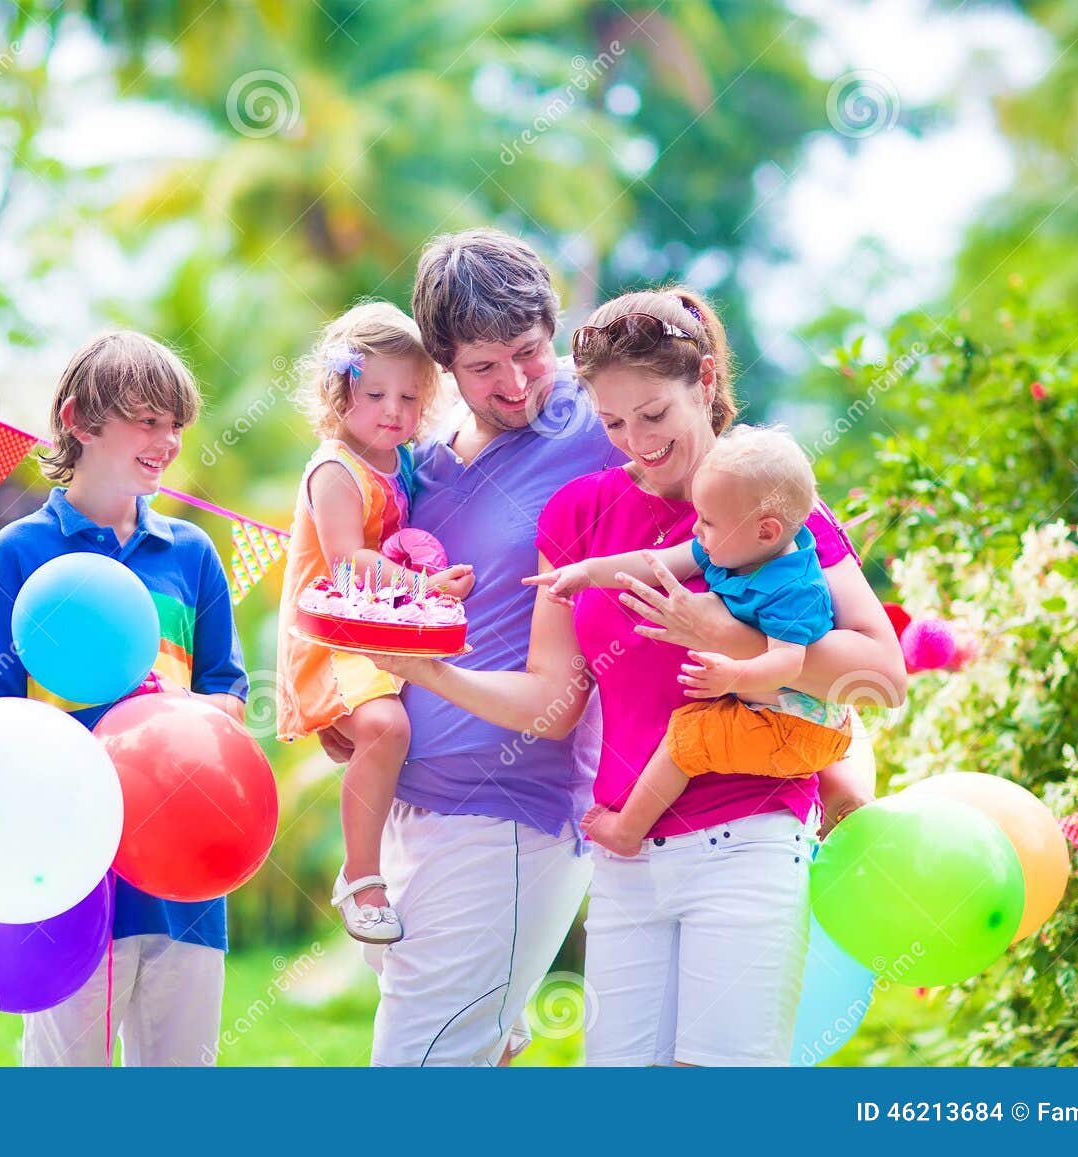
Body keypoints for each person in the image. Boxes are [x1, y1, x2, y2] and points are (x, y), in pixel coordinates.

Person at [374, 286, 905, 1066]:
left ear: (706, 382)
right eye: (613, 423)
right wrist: (430, 669)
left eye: (654, 416)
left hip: (749, 838)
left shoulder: (764, 504)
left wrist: (723, 633)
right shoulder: (581, 512)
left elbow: (880, 677)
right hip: (625, 849)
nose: (637, 444)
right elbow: (553, 702)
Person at [320, 229, 625, 1066]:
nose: (517, 382)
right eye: (485, 366)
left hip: (511, 816)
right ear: (444, 365)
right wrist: (346, 703)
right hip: (414, 811)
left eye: (530, 351)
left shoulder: (597, 422)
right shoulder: (423, 461)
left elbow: (720, 469)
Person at [0, 331, 248, 1066]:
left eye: (175, 424)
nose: (167, 441)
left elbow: (230, 701)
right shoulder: (18, 555)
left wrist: (168, 712)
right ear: (80, 421)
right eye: (147, 420)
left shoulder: (192, 555)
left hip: (184, 880)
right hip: (66, 877)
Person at [529, 423, 854, 856]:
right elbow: (657, 560)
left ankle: (627, 829)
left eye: (708, 521)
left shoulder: (794, 589)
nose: (696, 530)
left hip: (801, 727)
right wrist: (587, 573)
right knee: (696, 728)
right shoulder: (731, 544)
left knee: (689, 735)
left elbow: (788, 662)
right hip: (773, 708)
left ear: (767, 531)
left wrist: (732, 673)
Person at [274, 302, 472, 944]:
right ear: (341, 393)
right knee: (385, 728)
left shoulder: (402, 460)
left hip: (376, 631)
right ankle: (361, 877)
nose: (395, 410)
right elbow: (347, 561)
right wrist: (424, 588)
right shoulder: (336, 468)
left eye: (411, 396)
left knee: (403, 733)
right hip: (330, 636)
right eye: (377, 393)